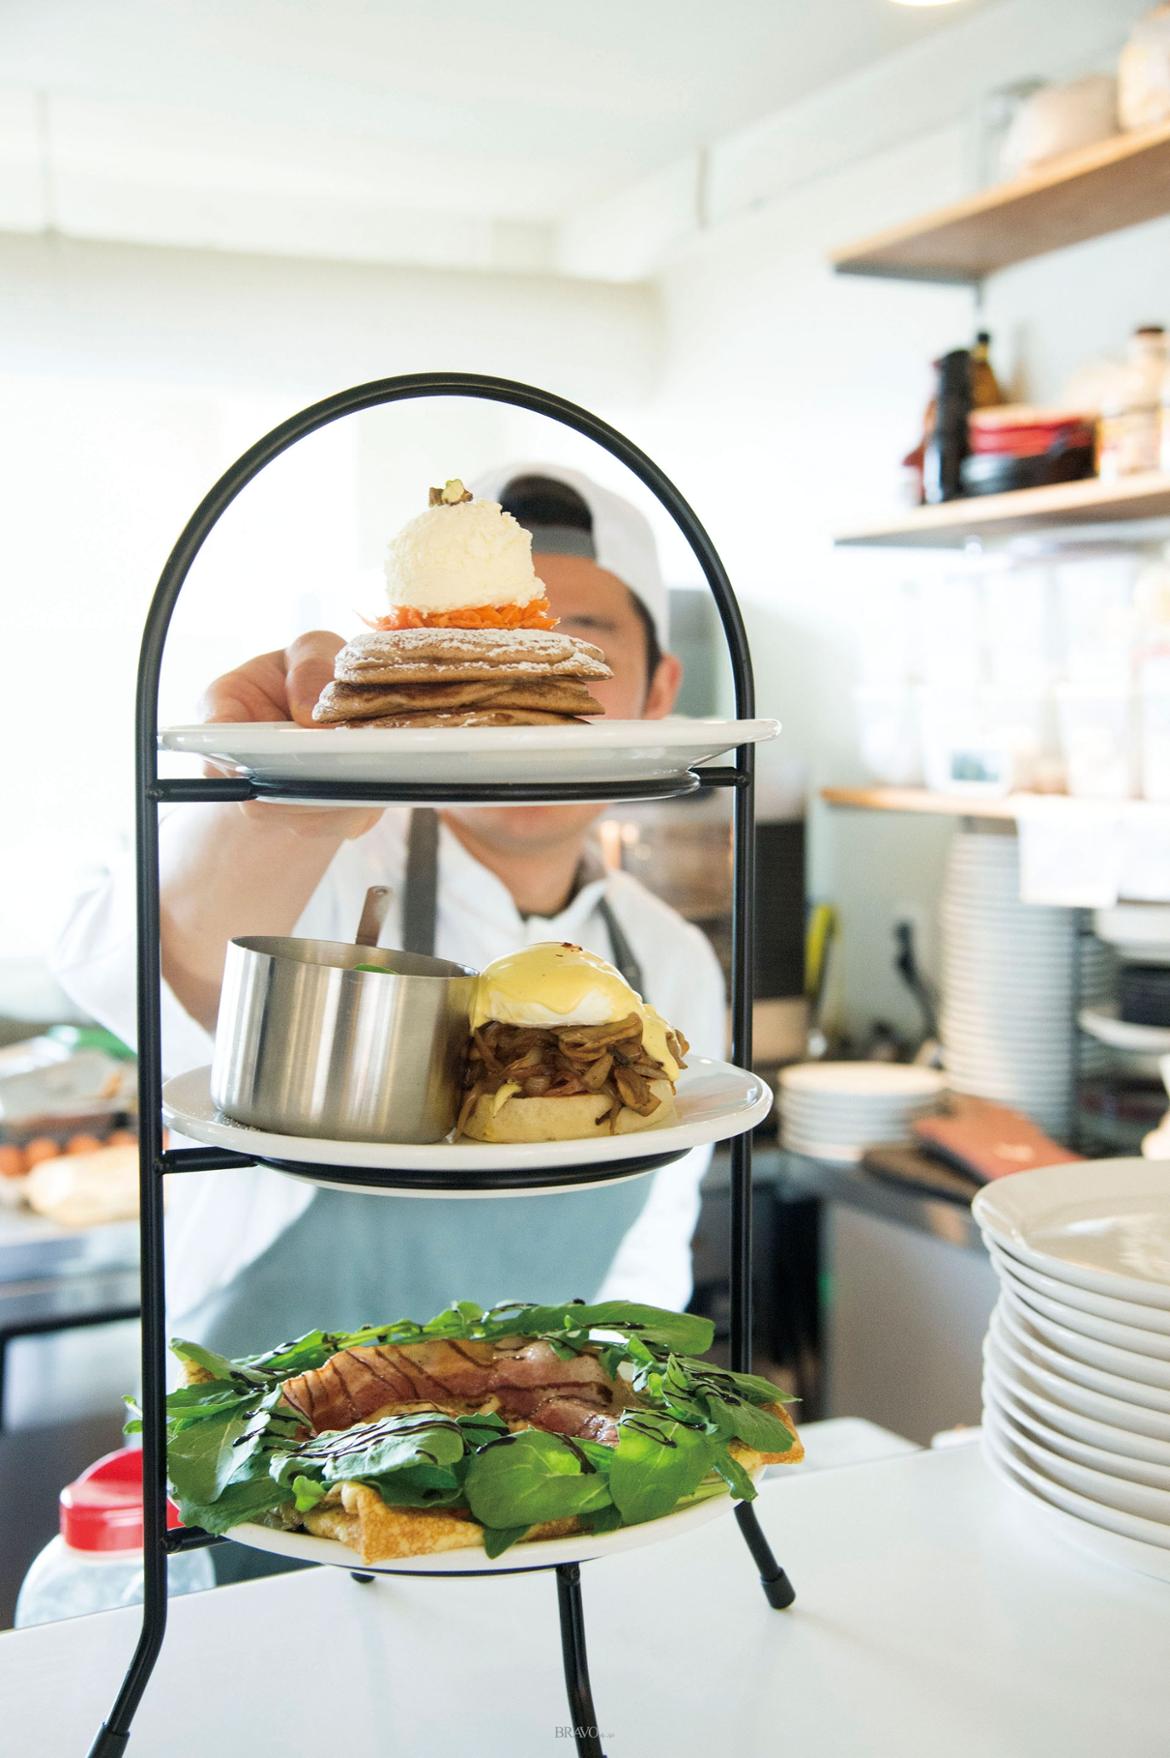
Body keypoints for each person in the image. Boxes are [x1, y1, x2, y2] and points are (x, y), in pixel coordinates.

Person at [53, 465, 726, 1359]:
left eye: (573, 643)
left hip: (535, 1427)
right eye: (482, 648)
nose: (522, 691)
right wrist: (280, 808)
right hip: (265, 1414)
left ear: (659, 692)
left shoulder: (671, 961)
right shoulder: (327, 855)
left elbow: (647, 1256)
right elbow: (142, 976)